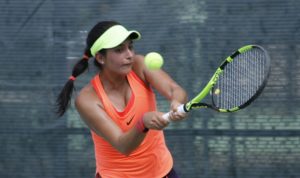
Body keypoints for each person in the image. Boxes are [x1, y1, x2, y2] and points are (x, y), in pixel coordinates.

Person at [56, 21, 188, 178]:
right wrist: (143, 123)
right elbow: (123, 145)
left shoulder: (139, 65)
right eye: (119, 50)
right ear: (100, 58)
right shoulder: (87, 100)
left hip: (162, 172)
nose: (129, 55)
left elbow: (175, 90)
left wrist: (176, 102)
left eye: (130, 47)